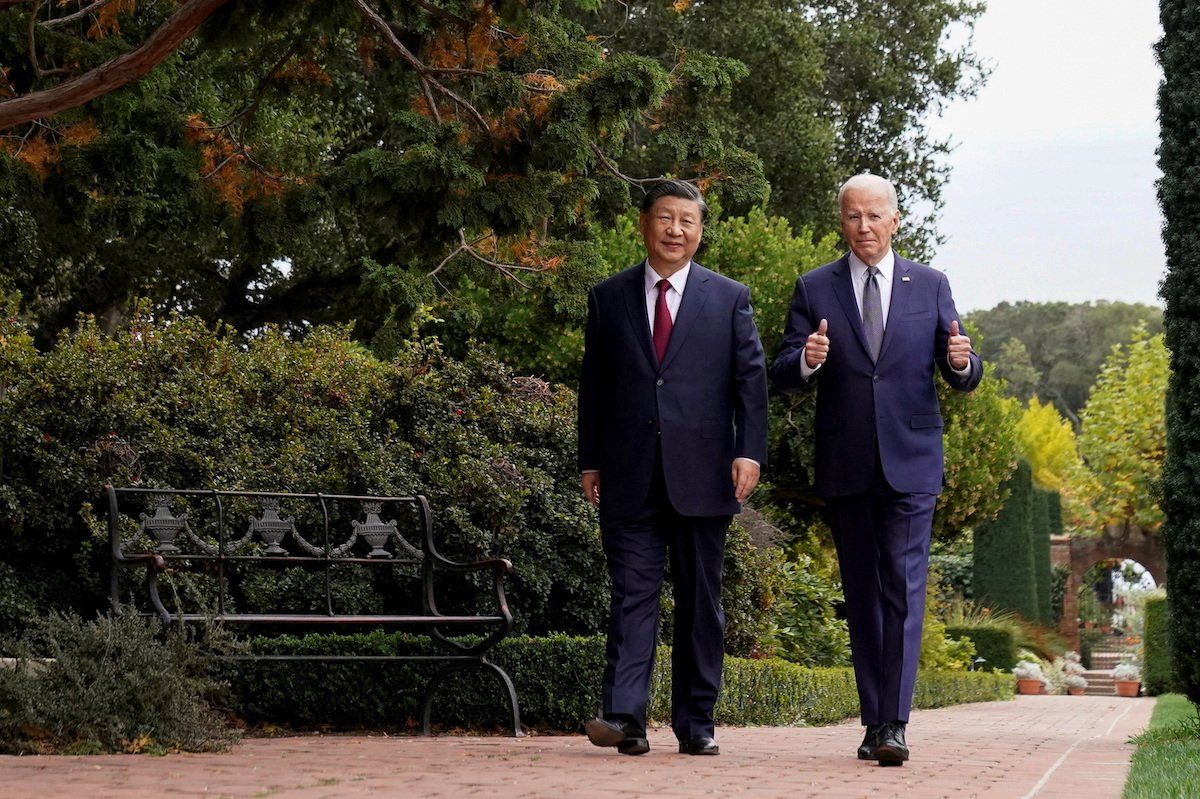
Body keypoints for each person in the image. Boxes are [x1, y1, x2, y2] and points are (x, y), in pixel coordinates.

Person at [769, 173, 981, 766]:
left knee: (905, 593)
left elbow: (958, 361)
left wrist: (963, 365)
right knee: (862, 594)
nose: (864, 226)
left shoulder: (931, 284)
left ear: (895, 220)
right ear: (841, 221)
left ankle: (895, 724)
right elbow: (782, 367)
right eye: (852, 216)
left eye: (874, 215)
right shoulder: (814, 287)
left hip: (912, 463)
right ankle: (872, 720)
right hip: (847, 463)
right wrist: (806, 362)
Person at [577, 179, 769, 756]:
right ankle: (625, 718)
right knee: (632, 595)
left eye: (687, 221)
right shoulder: (607, 297)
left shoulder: (729, 297)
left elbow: (750, 385)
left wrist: (749, 450)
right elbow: (595, 387)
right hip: (628, 472)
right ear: (645, 223)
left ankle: (696, 722)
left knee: (698, 602)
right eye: (665, 218)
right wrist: (590, 460)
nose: (675, 230)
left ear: (700, 231)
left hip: (705, 475)